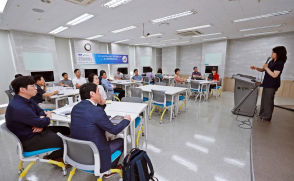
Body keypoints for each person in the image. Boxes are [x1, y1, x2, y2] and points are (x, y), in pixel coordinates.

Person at [70, 83, 130, 177]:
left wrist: (102, 105)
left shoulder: (75, 108)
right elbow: (114, 130)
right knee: (122, 141)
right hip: (95, 153)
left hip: (78, 153)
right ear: (92, 94)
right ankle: (108, 170)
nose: (100, 93)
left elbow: (91, 117)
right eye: (98, 91)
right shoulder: (96, 111)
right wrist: (126, 120)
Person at [5, 76, 70, 161]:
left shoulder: (26, 99)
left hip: (36, 131)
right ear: (22, 89)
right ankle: (53, 157)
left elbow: (40, 111)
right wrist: (48, 116)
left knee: (67, 130)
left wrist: (41, 122)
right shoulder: (19, 107)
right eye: (32, 86)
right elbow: (43, 121)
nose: (36, 88)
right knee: (70, 141)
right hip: (30, 140)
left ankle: (62, 155)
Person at [250, 46, 287, 122]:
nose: (272, 54)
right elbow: (263, 69)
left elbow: (274, 75)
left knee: (268, 101)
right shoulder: (271, 61)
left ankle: (266, 117)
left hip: (272, 84)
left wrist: (266, 68)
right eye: (272, 52)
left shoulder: (280, 63)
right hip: (266, 83)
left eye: (273, 52)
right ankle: (262, 115)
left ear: (279, 53)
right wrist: (256, 68)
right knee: (264, 100)